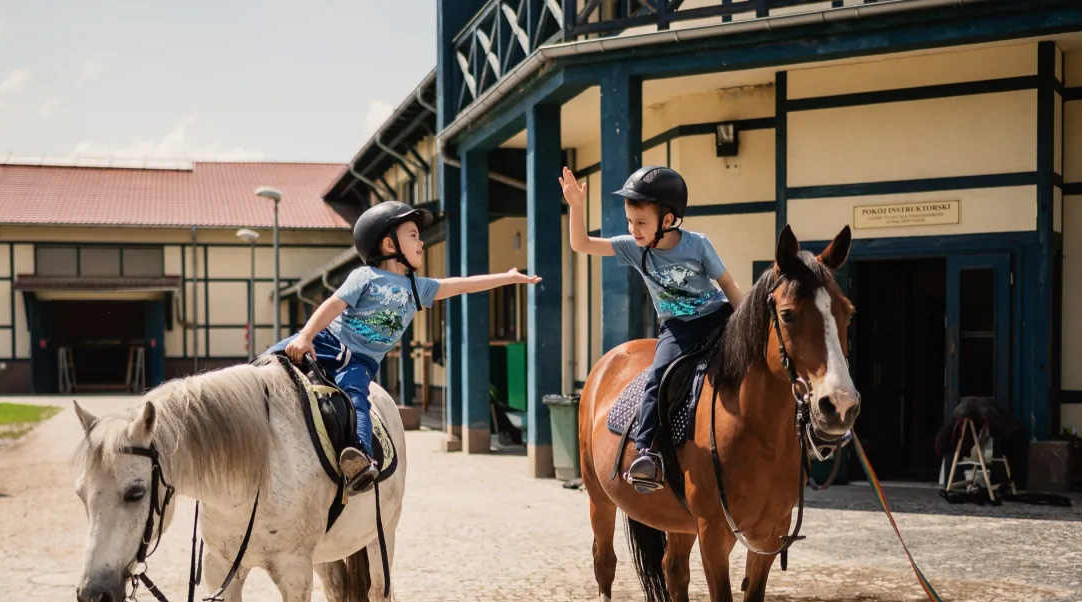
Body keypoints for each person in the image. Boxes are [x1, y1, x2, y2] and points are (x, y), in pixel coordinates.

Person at [265, 200, 540, 496]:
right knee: (270, 360)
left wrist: (507, 278)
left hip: (359, 362)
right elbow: (332, 305)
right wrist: (306, 336)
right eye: (413, 235)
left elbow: (462, 285)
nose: (421, 242)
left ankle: (359, 459)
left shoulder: (418, 289)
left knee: (358, 401)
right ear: (388, 243)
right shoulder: (364, 277)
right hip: (327, 341)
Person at [559, 165, 744, 492]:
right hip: (678, 328)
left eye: (641, 223)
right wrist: (575, 205)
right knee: (657, 379)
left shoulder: (698, 245)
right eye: (630, 222)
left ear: (668, 220)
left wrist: (743, 322)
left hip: (717, 316)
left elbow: (727, 283)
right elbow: (581, 244)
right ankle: (647, 453)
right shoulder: (633, 248)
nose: (633, 229)